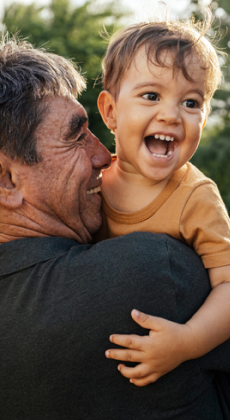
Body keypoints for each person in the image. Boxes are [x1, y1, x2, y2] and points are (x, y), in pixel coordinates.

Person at [0, 38, 230, 420]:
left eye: (191, 103)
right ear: (1, 177)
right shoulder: (155, 268)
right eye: (75, 135)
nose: (104, 156)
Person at [97, 17, 230, 386]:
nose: (171, 114)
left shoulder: (195, 197)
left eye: (191, 102)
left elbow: (228, 285)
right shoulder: (89, 184)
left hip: (174, 376)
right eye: (151, 96)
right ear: (110, 112)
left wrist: (188, 342)